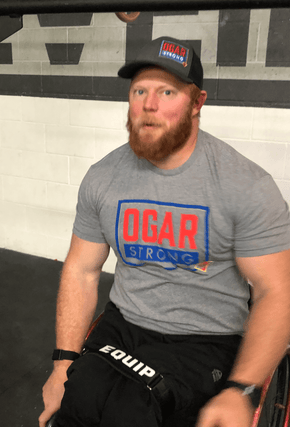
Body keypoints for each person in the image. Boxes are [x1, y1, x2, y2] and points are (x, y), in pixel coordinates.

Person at [39, 36, 290, 427]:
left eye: (166, 91)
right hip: (125, 323)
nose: (148, 105)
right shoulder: (103, 178)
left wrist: (242, 390)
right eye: (139, 90)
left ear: (197, 102)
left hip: (206, 338)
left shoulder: (246, 185)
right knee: (80, 399)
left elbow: (277, 291)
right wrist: (62, 364)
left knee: (134, 413)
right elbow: (82, 270)